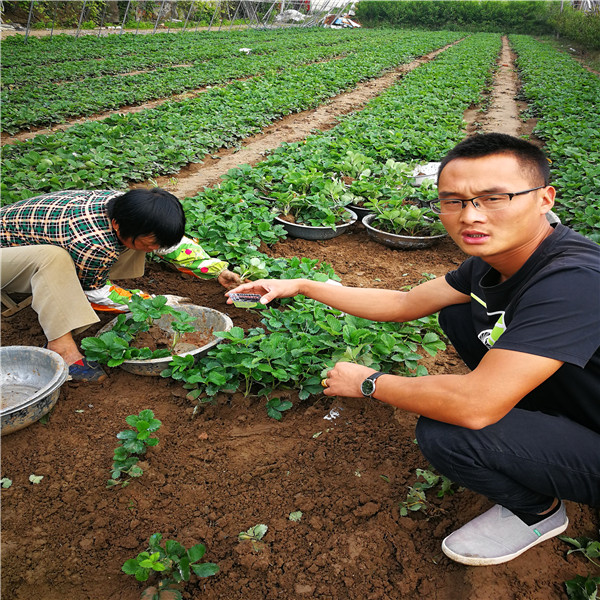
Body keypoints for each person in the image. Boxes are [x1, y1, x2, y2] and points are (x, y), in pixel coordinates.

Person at [226, 133, 600, 566]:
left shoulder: (574, 280)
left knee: (450, 431)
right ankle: (535, 419)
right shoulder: (493, 262)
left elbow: (474, 408)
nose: (470, 216)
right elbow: (404, 303)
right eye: (454, 201)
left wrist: (369, 382)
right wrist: (302, 285)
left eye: (495, 198)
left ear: (544, 199)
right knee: (460, 316)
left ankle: (539, 512)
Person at [1, 188, 241, 382]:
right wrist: (153, 303)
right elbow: (96, 293)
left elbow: (167, 242)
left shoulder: (127, 207)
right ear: (116, 224)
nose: (153, 250)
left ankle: (91, 268)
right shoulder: (94, 244)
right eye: (149, 245)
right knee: (53, 260)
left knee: (135, 243)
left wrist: (215, 269)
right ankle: (62, 349)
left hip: (37, 233)